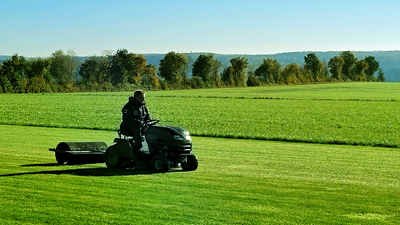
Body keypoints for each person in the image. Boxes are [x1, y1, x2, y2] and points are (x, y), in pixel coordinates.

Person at [120, 90, 151, 154]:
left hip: (141, 124)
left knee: (152, 128)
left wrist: (147, 124)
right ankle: (138, 148)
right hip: (128, 125)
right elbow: (127, 119)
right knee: (138, 128)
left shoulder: (143, 106)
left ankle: (151, 147)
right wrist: (141, 124)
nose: (143, 99)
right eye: (141, 97)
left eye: (144, 98)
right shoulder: (128, 107)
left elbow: (147, 117)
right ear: (136, 97)